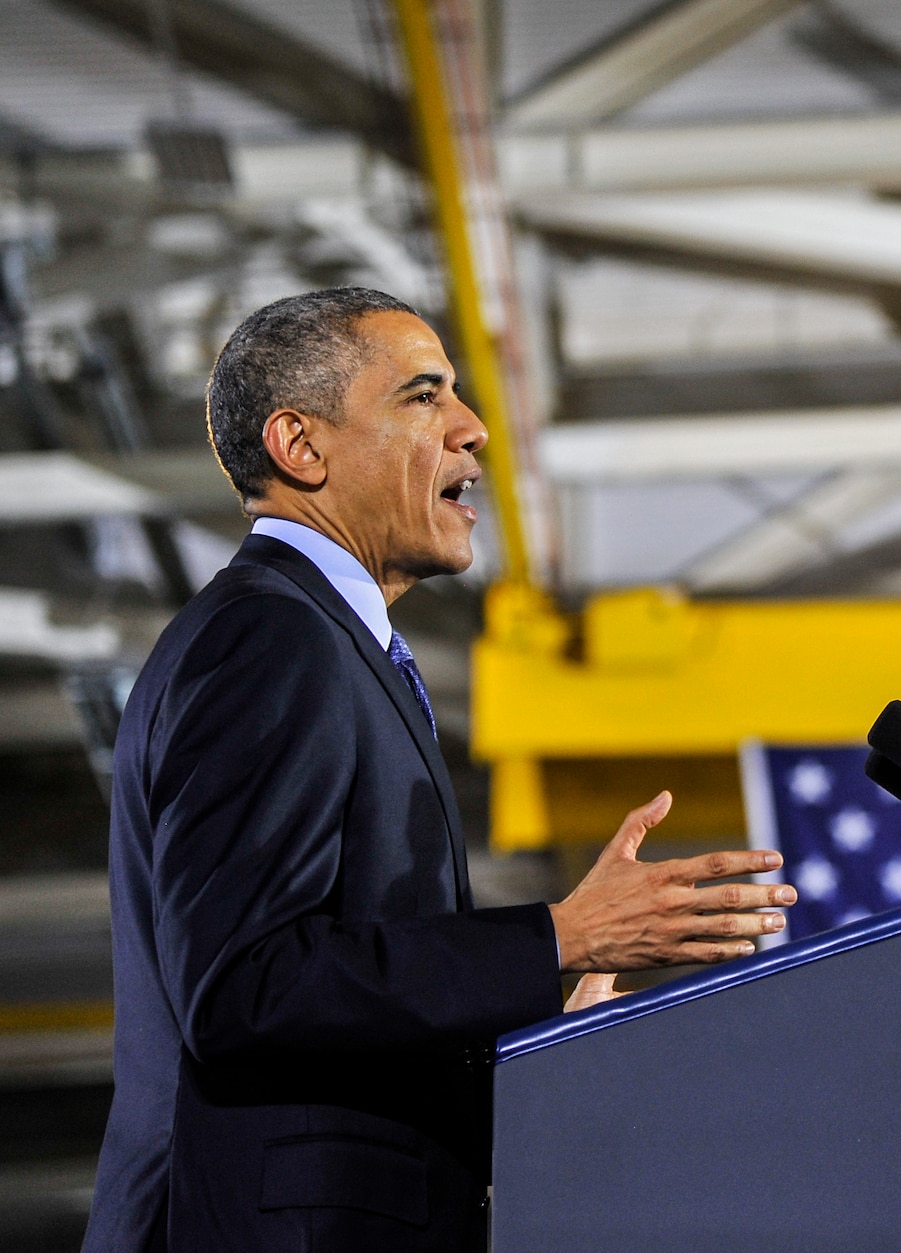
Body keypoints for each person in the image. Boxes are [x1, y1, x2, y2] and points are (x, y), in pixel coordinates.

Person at [83, 287, 795, 1252]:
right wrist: (554, 937)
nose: (474, 430)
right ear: (302, 445)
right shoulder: (272, 636)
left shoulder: (321, 642)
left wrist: (533, 1017)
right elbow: (244, 983)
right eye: (423, 396)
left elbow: (326, 1010)